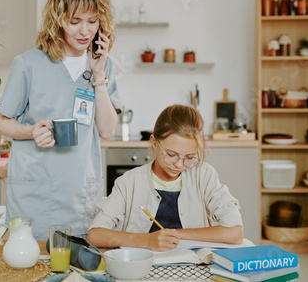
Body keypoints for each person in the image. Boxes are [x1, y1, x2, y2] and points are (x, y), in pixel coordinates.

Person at [0, 0, 121, 240]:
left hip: (80, 194)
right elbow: (1, 121)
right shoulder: (28, 64)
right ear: (58, 18)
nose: (85, 31)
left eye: (92, 21)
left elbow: (107, 130)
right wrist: (31, 131)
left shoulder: (102, 64)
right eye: (75, 22)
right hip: (35, 194)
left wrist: (98, 75)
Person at [87, 104, 243, 251]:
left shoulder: (204, 176)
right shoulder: (129, 182)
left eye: (189, 157)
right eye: (171, 155)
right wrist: (147, 240)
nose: (179, 165)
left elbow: (235, 233)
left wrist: (175, 234)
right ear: (154, 142)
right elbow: (95, 235)